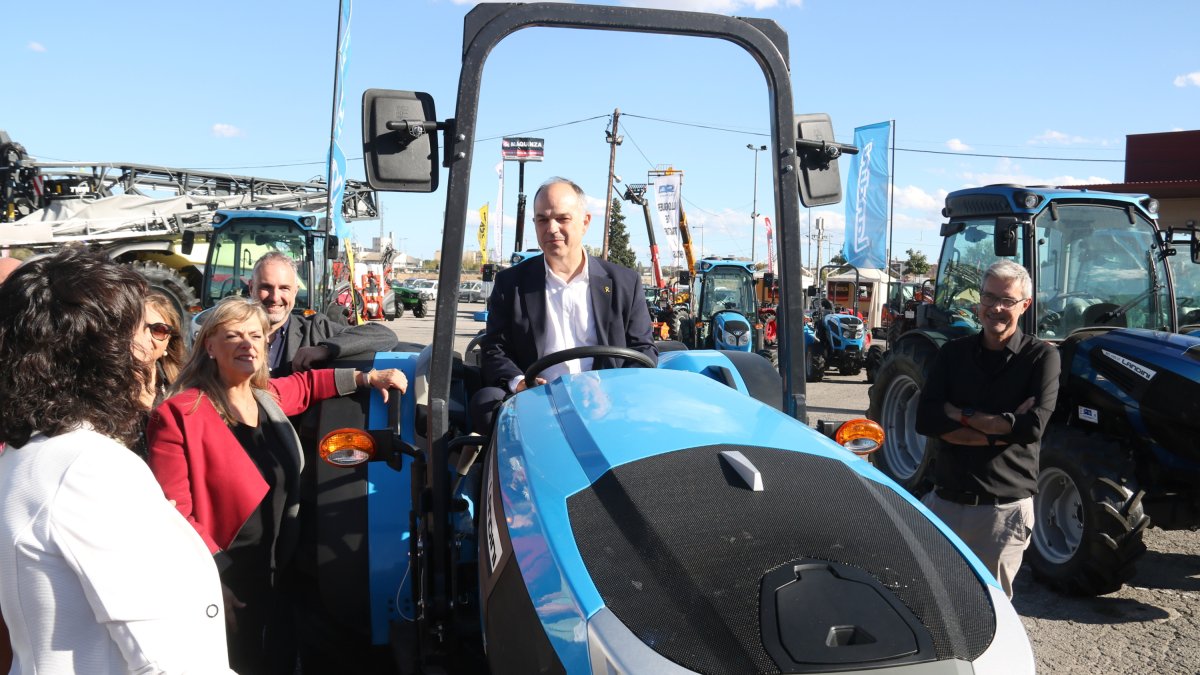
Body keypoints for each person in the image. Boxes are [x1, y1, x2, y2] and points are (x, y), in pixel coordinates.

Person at [0, 248, 232, 673]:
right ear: (100, 354)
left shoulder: (30, 453)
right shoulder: (89, 468)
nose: (142, 348)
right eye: (133, 331)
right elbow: (167, 659)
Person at [147, 296, 407, 674]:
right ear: (210, 345)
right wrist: (209, 582)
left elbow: (307, 385)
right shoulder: (179, 414)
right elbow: (174, 514)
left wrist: (366, 378)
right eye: (233, 335)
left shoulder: (265, 399)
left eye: (255, 336)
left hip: (277, 569)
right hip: (225, 579)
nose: (247, 344)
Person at [916, 259, 1060, 599]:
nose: (995, 307)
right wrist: (1000, 429)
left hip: (1002, 514)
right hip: (945, 503)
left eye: (1007, 300)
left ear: (1025, 305)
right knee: (935, 604)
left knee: (990, 609)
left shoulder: (1041, 358)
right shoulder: (952, 354)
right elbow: (927, 420)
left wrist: (957, 414)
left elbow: (1032, 427)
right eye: (989, 297)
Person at [470, 177, 657, 432]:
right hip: (536, 405)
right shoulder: (511, 284)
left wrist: (611, 389)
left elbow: (643, 349)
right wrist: (520, 382)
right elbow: (494, 348)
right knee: (484, 405)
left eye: (562, 218)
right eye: (542, 220)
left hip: (607, 404)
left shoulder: (624, 283)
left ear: (585, 222)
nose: (552, 228)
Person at [251, 251, 398, 376]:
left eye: (284, 288)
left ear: (295, 291)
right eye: (266, 287)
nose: (275, 297)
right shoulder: (236, 333)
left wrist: (326, 349)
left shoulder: (315, 329)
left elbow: (384, 335)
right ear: (251, 288)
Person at [142, 291, 187, 409]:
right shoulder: (107, 384)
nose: (146, 336)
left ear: (169, 341)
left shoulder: (183, 388)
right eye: (139, 326)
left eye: (159, 330)